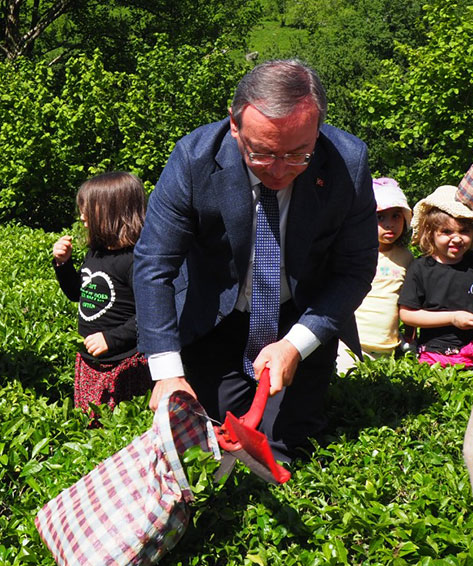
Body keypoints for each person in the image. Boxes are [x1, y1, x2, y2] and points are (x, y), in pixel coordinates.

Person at [133, 59, 376, 462]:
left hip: (301, 316)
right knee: (210, 446)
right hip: (215, 318)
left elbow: (356, 267)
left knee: (285, 449)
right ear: (234, 124)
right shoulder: (195, 158)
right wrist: (167, 371)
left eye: (298, 154)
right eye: (261, 153)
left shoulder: (347, 162)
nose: (279, 170)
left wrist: (296, 345)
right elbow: (153, 262)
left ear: (318, 129)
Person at [51, 171, 152, 420]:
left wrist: (112, 338)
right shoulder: (95, 253)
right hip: (90, 362)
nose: (82, 216)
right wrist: (63, 265)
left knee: (119, 428)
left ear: (111, 213)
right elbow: (78, 293)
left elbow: (150, 314)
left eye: (88, 210)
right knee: (90, 426)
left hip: (124, 363)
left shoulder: (134, 260)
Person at [398, 185, 473, 368]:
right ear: (430, 234)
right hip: (436, 352)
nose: (457, 238)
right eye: (446, 232)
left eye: (464, 231)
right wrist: (452, 318)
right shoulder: (421, 268)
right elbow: (407, 314)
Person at [336, 177, 414, 374]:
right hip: (350, 343)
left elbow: (410, 301)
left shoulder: (406, 257)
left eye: (396, 216)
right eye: (380, 217)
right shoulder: (354, 253)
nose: (390, 224)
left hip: (387, 346)